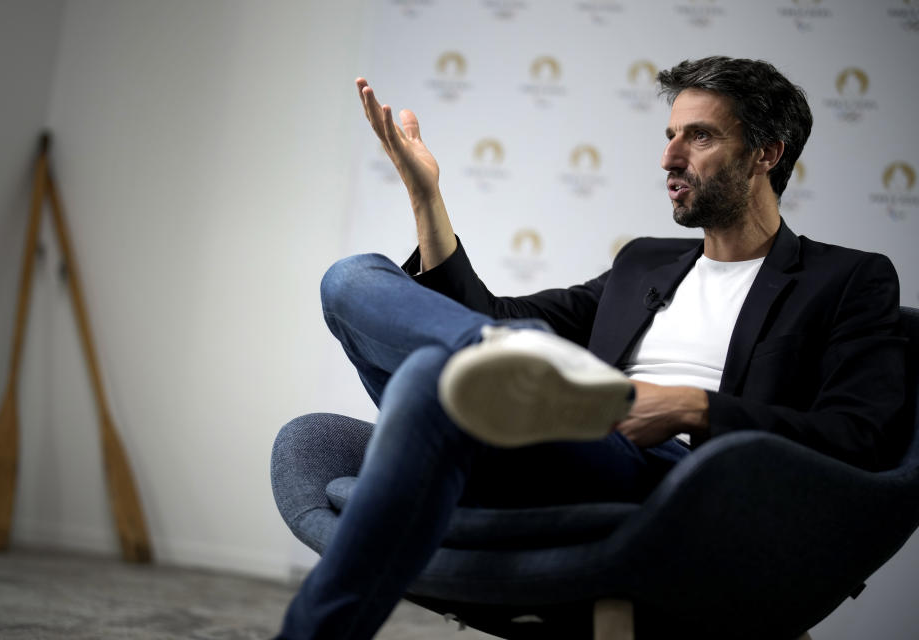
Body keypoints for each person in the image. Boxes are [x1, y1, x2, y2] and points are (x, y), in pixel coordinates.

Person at [275, 56, 905, 639]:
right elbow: (486, 314)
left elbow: (859, 436)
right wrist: (425, 196)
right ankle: (518, 360)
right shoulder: (644, 265)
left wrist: (692, 406)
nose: (669, 158)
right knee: (351, 277)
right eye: (669, 135)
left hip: (677, 476)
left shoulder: (846, 278)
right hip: (549, 435)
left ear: (766, 153)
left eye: (700, 137)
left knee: (428, 378)